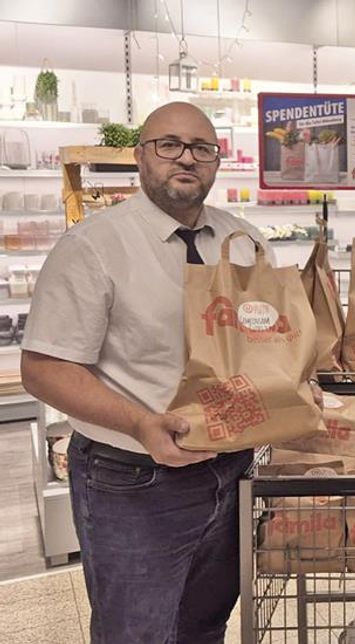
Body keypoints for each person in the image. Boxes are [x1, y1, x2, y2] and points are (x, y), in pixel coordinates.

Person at [21, 102, 289, 643]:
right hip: (133, 478)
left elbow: (264, 344)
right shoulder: (93, 246)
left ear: (217, 161)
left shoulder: (245, 242)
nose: (186, 159)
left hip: (231, 468)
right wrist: (141, 423)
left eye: (202, 148)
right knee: (135, 632)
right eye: (169, 145)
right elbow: (44, 369)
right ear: (140, 157)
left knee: (203, 625)